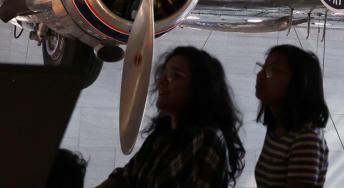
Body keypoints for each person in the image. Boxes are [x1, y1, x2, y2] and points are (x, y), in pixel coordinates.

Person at [98, 46, 245, 188]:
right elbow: (125, 177)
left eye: (173, 75)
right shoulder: (161, 136)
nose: (161, 81)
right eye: (163, 73)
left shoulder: (206, 140)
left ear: (199, 86)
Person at [253, 44, 330, 188]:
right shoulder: (277, 128)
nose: (260, 75)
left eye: (272, 70)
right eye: (263, 68)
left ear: (298, 82)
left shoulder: (306, 139)